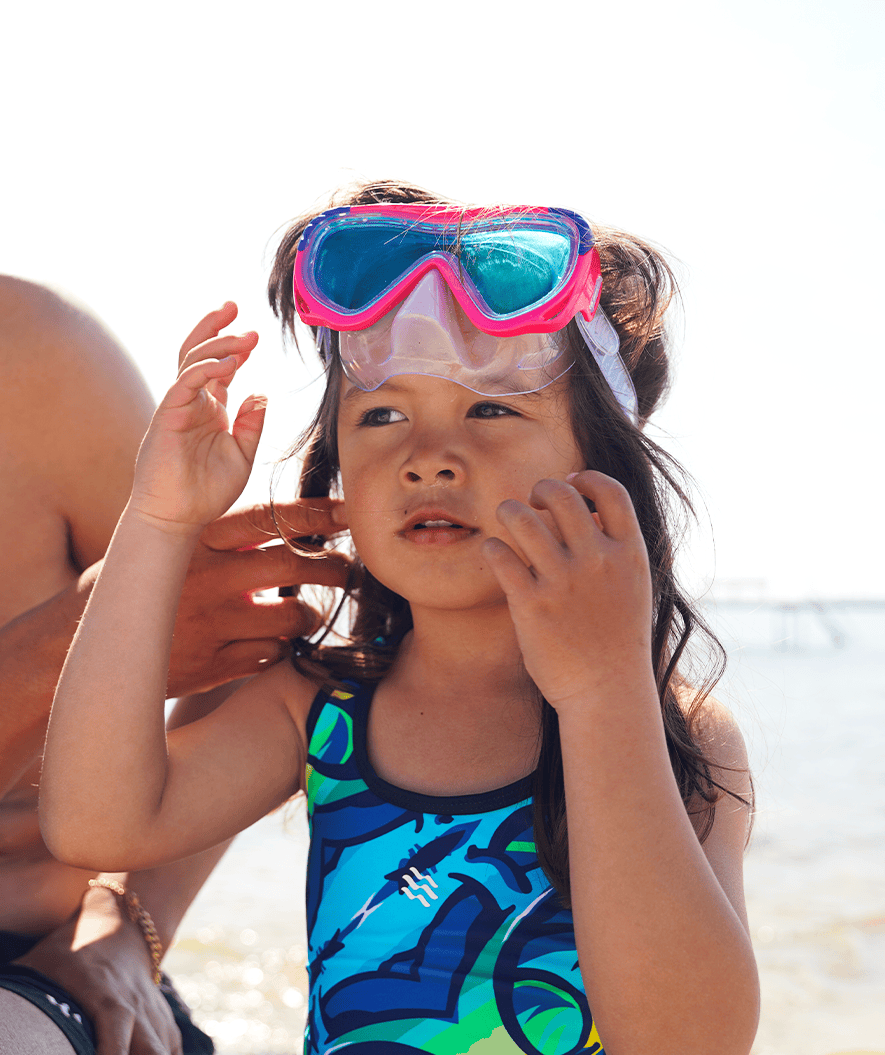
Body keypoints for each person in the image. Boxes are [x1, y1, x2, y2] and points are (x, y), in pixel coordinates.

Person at [39, 181, 761, 1054]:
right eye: (380, 415)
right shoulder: (326, 706)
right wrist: (157, 525)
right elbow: (93, 824)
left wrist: (603, 693)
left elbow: (691, 1039)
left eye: (491, 408)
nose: (426, 458)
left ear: (602, 466)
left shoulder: (671, 725)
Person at [0, 276, 347, 1055]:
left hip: (64, 965)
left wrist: (128, 929)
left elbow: (234, 637)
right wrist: (65, 642)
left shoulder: (32, 354)